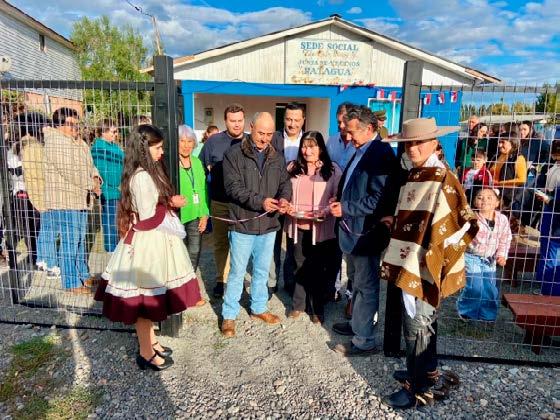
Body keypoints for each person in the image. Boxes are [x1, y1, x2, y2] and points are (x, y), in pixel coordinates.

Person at [380, 118, 479, 409]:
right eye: (408, 143)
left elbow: (464, 221)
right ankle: (428, 371)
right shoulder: (417, 173)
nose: (412, 148)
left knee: (417, 323)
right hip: (411, 256)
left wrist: (436, 252)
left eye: (419, 142)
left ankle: (418, 389)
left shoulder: (443, 178)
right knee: (423, 320)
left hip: (426, 260)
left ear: (435, 143)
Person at [95, 124, 201, 371]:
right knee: (145, 299)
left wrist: (167, 202)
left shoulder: (149, 171)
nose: (162, 152)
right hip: (147, 242)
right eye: (158, 147)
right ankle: (145, 352)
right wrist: (170, 204)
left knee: (153, 296)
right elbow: (147, 218)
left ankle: (152, 342)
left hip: (154, 239)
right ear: (144, 149)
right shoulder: (142, 176)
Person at [329, 105, 399, 356]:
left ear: (369, 128)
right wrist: (340, 201)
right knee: (357, 282)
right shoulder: (362, 149)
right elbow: (354, 186)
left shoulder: (380, 154)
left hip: (366, 233)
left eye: (352, 131)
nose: (347, 137)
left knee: (366, 286)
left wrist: (345, 207)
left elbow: (380, 200)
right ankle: (358, 325)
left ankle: (364, 340)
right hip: (353, 231)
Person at [220, 112, 292, 338]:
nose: (265, 138)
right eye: (261, 133)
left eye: (269, 134)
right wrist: (260, 202)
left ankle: (259, 308)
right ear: (251, 127)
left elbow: (285, 183)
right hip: (243, 223)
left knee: (262, 270)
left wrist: (284, 199)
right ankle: (229, 315)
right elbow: (233, 188)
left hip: (268, 225)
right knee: (237, 272)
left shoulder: (277, 156)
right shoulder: (234, 154)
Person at [38, 108, 101, 293]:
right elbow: (69, 172)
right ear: (59, 125)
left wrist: (96, 177)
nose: (75, 128)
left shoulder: (79, 142)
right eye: (70, 124)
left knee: (80, 240)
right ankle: (71, 282)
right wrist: (91, 185)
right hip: (64, 201)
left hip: (81, 199)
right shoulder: (55, 142)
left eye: (77, 124)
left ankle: (83, 274)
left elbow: (91, 165)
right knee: (70, 243)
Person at [284, 131, 342, 324]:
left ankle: (317, 307)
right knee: (298, 264)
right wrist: (287, 204)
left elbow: (338, 196)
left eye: (312, 146)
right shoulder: (292, 168)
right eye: (304, 146)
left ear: (321, 148)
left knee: (318, 267)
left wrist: (326, 210)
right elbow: (284, 192)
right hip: (298, 225)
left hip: (321, 227)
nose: (307, 151)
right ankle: (298, 304)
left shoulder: (332, 169)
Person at [200, 104, 247, 298]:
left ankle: (238, 279)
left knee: (241, 244)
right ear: (225, 121)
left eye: (240, 121)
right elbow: (201, 168)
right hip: (219, 202)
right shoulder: (213, 142)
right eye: (232, 121)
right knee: (220, 242)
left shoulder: (250, 142)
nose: (237, 124)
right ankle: (221, 279)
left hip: (243, 204)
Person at [457, 188, 512, 321]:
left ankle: (488, 315)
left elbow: (505, 238)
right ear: (474, 202)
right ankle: (467, 312)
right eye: (480, 197)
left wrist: (502, 255)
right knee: (475, 286)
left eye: (489, 197)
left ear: (497, 203)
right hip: (471, 257)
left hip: (490, 259)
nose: (484, 200)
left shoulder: (502, 219)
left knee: (490, 288)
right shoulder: (471, 218)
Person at [270, 102, 306, 295]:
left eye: (296, 120)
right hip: (275, 199)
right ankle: (271, 282)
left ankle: (291, 283)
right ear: (283, 119)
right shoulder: (273, 138)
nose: (292, 124)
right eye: (288, 119)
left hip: (298, 201)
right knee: (272, 243)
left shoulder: (309, 141)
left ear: (303, 120)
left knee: (294, 245)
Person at [6, 112, 48, 268]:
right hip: (27, 193)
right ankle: (35, 258)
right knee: (33, 229)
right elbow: (18, 172)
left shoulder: (15, 147)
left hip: (22, 193)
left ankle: (34, 257)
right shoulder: (25, 147)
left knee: (29, 229)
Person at [326, 102, 357, 316]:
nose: (341, 126)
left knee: (353, 255)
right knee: (334, 249)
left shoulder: (360, 144)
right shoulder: (331, 142)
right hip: (334, 204)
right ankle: (334, 289)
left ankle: (352, 296)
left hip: (353, 207)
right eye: (338, 122)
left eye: (344, 122)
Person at [177, 125, 209, 272]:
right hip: (177, 214)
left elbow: (203, 189)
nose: (186, 145)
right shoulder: (171, 163)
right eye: (182, 141)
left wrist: (204, 213)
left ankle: (190, 278)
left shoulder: (196, 162)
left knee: (195, 251)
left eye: (189, 141)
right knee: (179, 251)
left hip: (195, 213)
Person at [91, 119, 124, 253]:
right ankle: (111, 249)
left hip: (119, 189)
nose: (116, 134)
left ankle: (118, 247)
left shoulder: (115, 147)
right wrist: (117, 183)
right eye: (113, 131)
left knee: (118, 221)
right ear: (103, 132)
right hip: (109, 190)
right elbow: (103, 171)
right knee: (111, 221)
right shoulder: (98, 148)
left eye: (116, 131)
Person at [535, 139, 560, 296]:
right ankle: (545, 284)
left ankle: (549, 290)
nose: (555, 157)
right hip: (550, 212)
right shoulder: (553, 166)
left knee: (551, 254)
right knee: (548, 251)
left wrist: (548, 199)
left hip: (555, 217)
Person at [489, 135, 527, 213]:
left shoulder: (518, 158)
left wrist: (500, 183)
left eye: (503, 142)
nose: (499, 145)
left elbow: (522, 179)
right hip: (492, 192)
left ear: (512, 143)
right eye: (499, 142)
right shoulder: (497, 155)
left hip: (505, 197)